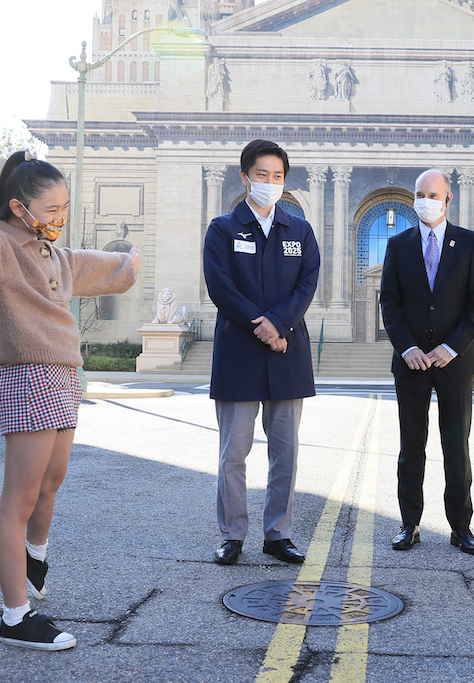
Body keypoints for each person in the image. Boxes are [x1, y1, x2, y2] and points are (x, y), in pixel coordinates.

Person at [0, 115, 140, 651]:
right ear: (20, 209)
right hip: (28, 376)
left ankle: (36, 558)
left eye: (65, 210)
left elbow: (106, 265)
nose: (61, 219)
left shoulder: (55, 255)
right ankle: (15, 617)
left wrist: (132, 262)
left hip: (64, 376)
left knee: (53, 481)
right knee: (18, 499)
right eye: (53, 211)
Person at [203, 139, 320, 566]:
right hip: (240, 351)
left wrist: (281, 325)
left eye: (277, 176)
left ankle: (278, 535)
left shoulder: (299, 231)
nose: (270, 183)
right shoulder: (223, 229)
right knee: (234, 453)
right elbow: (221, 288)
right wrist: (264, 326)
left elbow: (306, 284)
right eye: (262, 175)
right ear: (245, 177)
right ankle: (232, 535)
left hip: (287, 352)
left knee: (284, 453)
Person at [379, 169, 474, 555]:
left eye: (433, 194)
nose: (425, 200)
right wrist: (406, 347)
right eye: (419, 193)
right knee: (412, 445)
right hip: (410, 363)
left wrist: (451, 347)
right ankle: (409, 524)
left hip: (454, 363)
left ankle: (461, 527)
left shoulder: (471, 243)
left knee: (456, 446)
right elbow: (389, 303)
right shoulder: (398, 245)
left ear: (448, 199)